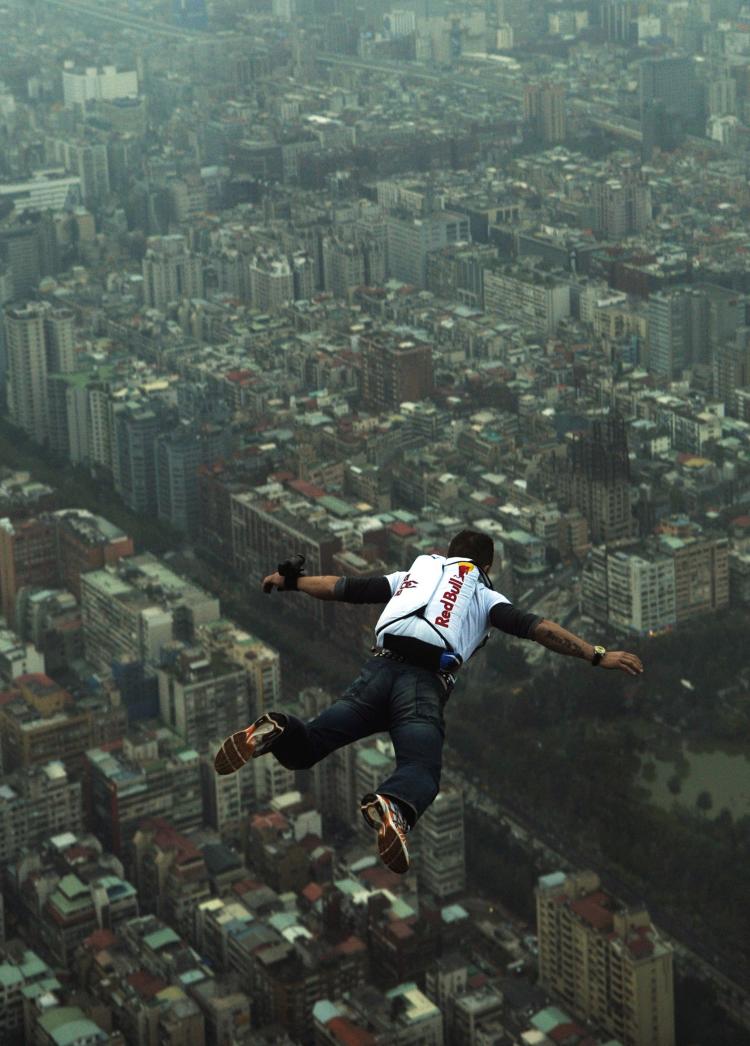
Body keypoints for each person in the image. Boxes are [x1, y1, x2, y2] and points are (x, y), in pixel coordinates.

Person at [214, 530, 643, 874]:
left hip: (377, 672)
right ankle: (393, 805)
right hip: (421, 685)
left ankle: (281, 728)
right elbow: (540, 629)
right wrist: (597, 654)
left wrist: (291, 581)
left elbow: (343, 588)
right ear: (487, 565)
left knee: (308, 746)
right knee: (421, 769)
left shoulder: (415, 574)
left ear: (447, 552)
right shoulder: (483, 593)